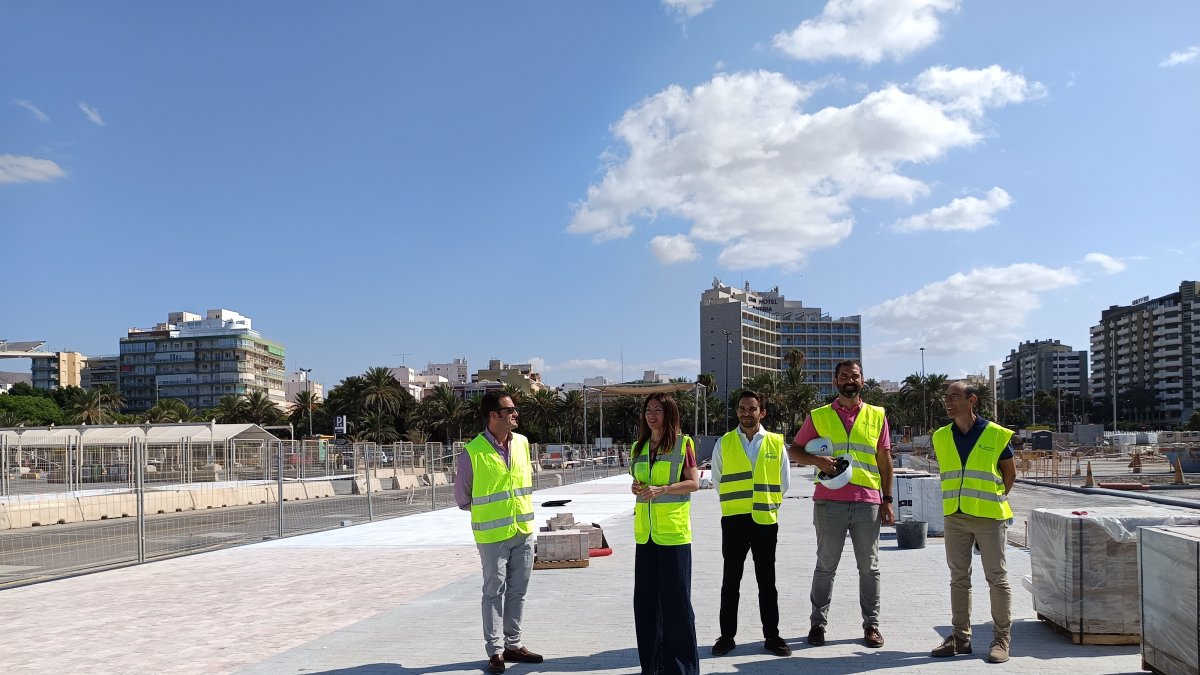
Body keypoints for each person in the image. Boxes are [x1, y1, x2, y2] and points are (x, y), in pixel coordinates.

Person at [788, 359, 894, 649]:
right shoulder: (819, 416)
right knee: (825, 566)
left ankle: (871, 626)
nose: (850, 380)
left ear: (862, 380)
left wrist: (888, 499)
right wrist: (817, 460)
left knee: (869, 568)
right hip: (829, 502)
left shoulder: (877, 415)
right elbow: (795, 450)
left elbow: (885, 461)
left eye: (855, 375)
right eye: (844, 376)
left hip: (867, 502)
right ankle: (817, 624)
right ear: (835, 382)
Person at [455, 392, 543, 674]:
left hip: (523, 530)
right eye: (511, 410)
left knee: (518, 591)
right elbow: (463, 498)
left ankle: (513, 645)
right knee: (493, 592)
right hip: (492, 536)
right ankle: (495, 651)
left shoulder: (523, 444)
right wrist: (492, 514)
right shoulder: (473, 451)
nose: (516, 414)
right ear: (494, 416)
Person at [929, 380, 1017, 664]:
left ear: (972, 400)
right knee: (959, 578)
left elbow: (1009, 475)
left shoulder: (994, 434)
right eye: (946, 398)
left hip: (989, 516)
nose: (948, 402)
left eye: (954, 397)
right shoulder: (941, 436)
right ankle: (961, 638)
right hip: (954, 516)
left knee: (997, 578)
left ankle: (1001, 639)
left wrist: (991, 500)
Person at [711, 390, 792, 657]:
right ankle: (726, 636)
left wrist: (769, 502)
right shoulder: (724, 443)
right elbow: (718, 479)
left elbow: (784, 481)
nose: (747, 413)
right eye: (743, 408)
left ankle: (772, 636)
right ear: (737, 412)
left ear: (762, 412)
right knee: (730, 581)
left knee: (767, 582)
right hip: (734, 521)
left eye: (752, 408)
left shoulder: (775, 442)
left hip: (765, 521)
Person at [630, 392, 701, 675]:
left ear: (669, 413)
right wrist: (636, 487)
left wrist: (664, 489)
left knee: (677, 606)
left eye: (657, 409)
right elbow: (638, 481)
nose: (651, 414)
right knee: (645, 605)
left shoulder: (683, 444)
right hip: (645, 535)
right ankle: (653, 667)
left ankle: (682, 669)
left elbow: (694, 483)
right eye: (648, 409)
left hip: (673, 535)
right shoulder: (639, 446)